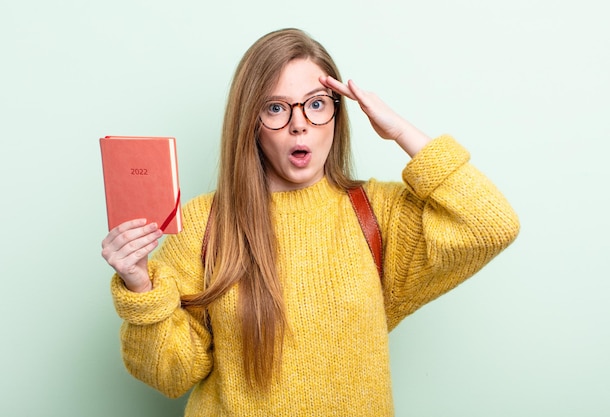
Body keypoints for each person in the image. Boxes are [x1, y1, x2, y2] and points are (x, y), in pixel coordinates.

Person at [101, 28, 520, 416]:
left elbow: (491, 223)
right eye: (276, 108)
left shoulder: (376, 212)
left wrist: (399, 131)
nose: (299, 123)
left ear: (338, 115)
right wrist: (141, 286)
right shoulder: (205, 222)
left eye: (316, 104)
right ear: (252, 124)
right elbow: (170, 375)